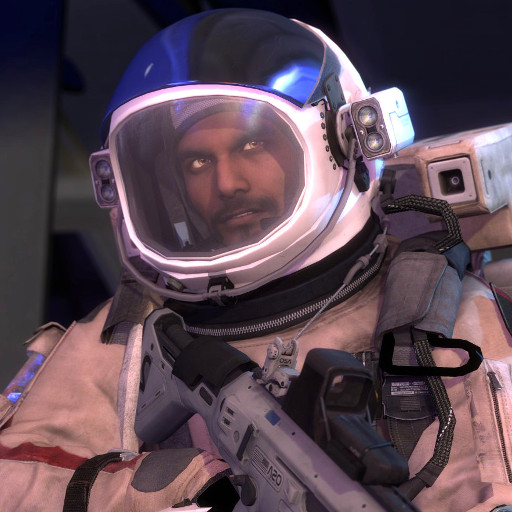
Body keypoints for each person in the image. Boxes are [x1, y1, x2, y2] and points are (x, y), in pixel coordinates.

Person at [1, 7, 512, 512]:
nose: (227, 183)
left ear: (343, 141)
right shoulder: (126, 338)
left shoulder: (451, 319)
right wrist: (150, 492)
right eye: (197, 162)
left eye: (252, 144)